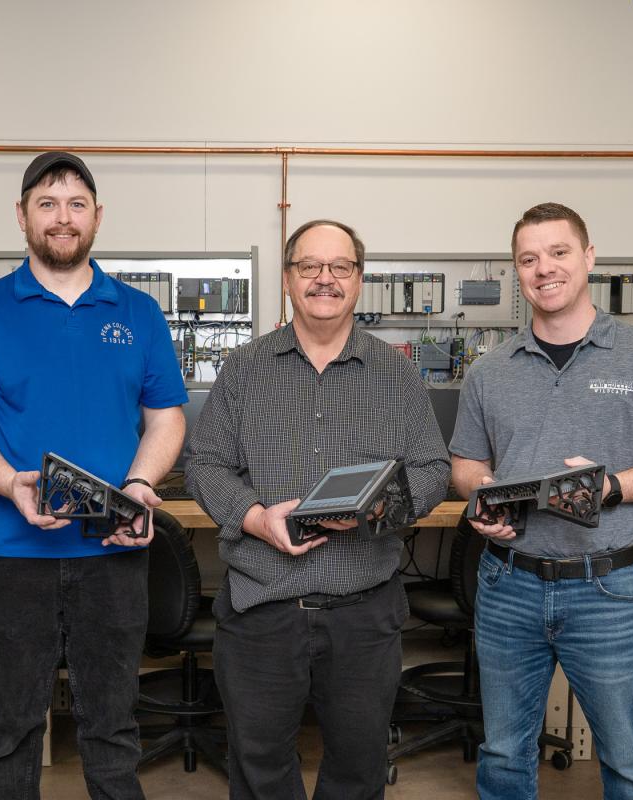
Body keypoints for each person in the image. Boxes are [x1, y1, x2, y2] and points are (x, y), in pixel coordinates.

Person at [0, 152, 187, 799]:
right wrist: (9, 483)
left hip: (112, 553)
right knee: (14, 726)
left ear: (97, 217)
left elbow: (165, 420)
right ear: (21, 216)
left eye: (76, 204)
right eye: (47, 204)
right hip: (11, 556)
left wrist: (139, 487)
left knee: (111, 726)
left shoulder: (138, 313)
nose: (62, 217)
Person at [450, 202, 633, 800]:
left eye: (559, 252)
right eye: (529, 258)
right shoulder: (491, 370)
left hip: (606, 590)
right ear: (517, 272)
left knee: (627, 760)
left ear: (589, 257)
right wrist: (483, 498)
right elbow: (465, 463)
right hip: (506, 586)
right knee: (503, 757)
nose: (544, 268)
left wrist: (612, 487)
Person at [186, 219, 450, 799]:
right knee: (258, 768)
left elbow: (433, 469)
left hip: (364, 611)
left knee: (358, 772)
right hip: (261, 608)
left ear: (359, 279)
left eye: (340, 267)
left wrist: (378, 510)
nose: (324, 279)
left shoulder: (396, 372)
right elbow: (204, 464)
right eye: (309, 267)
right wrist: (255, 517)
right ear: (288, 279)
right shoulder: (246, 369)